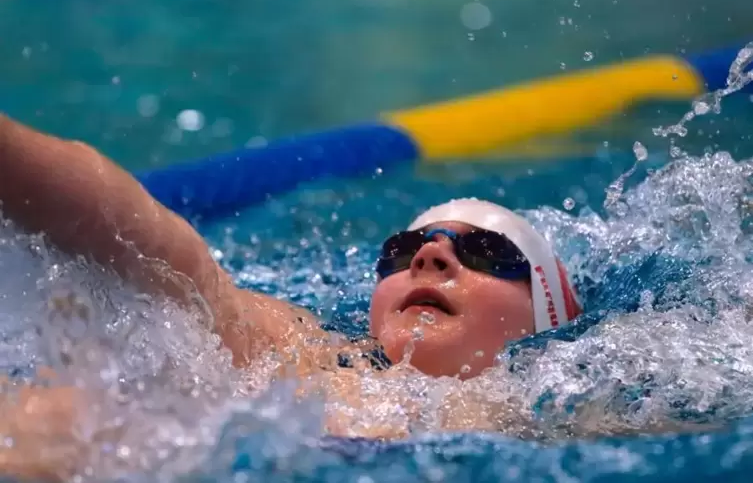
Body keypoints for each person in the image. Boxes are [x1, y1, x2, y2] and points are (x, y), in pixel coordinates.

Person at [0, 114, 582, 479]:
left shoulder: (579, 411)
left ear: (548, 314)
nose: (430, 258)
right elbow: (161, 254)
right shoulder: (309, 356)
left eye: (485, 253)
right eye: (404, 252)